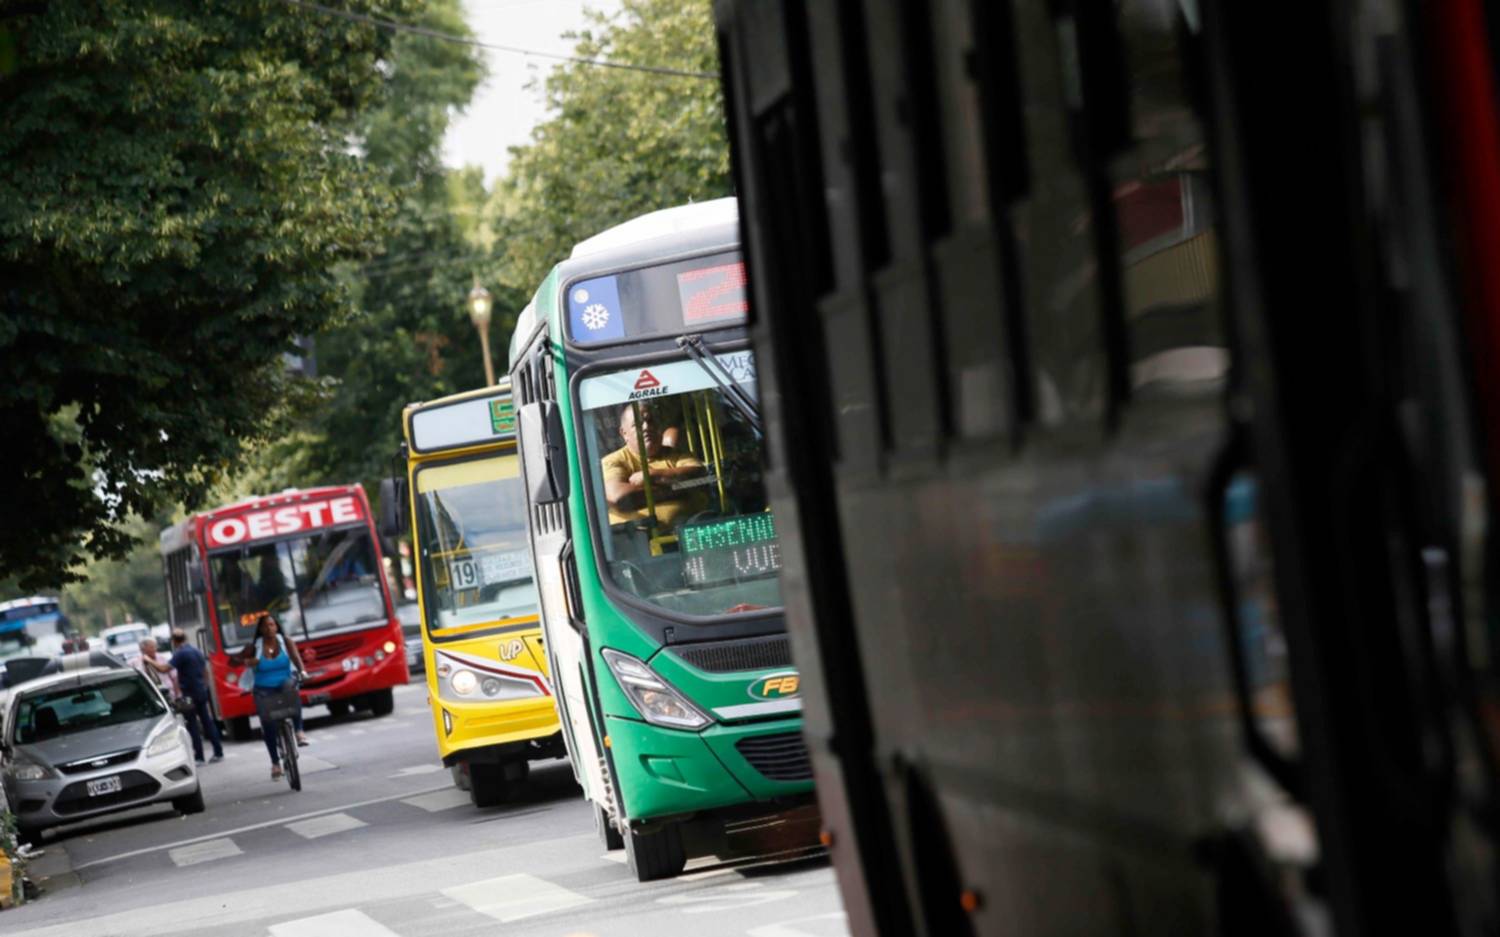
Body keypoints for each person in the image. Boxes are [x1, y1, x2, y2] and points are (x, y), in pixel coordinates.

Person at [602, 404, 708, 530]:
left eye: (651, 421)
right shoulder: (613, 461)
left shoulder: (677, 455)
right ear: (624, 433)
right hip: (637, 539)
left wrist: (652, 476)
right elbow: (619, 498)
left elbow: (700, 475)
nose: (646, 427)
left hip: (687, 533)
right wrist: (679, 487)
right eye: (637, 424)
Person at [234, 612, 308, 779]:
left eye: (272, 625)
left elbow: (296, 658)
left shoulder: (285, 641)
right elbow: (233, 661)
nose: (269, 628)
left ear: (277, 627)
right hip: (263, 689)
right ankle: (275, 763)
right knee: (268, 725)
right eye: (265, 626)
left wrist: (303, 672)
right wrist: (245, 661)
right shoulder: (254, 647)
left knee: (292, 688)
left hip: (284, 684)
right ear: (260, 629)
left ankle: (299, 731)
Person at [141, 630, 223, 764]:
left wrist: (149, 660)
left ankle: (199, 757)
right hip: (201, 690)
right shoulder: (196, 651)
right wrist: (204, 686)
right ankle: (218, 752)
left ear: (174, 641)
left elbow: (163, 669)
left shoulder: (180, 653)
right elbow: (205, 671)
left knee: (192, 724)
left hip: (189, 694)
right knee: (207, 721)